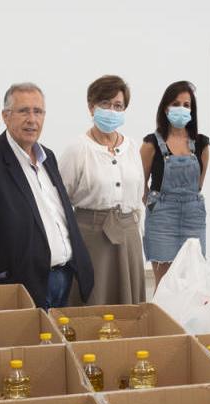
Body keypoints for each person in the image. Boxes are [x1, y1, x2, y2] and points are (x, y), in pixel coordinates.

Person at [0, 82, 94, 308]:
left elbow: (59, 214)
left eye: (38, 111)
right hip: (24, 284)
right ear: (5, 116)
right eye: (24, 111)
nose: (32, 119)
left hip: (67, 278)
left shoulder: (47, 157)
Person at [60, 75, 146, 305]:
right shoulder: (78, 149)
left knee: (129, 304)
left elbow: (138, 195)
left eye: (118, 106)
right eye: (105, 104)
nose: (111, 110)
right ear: (91, 107)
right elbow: (60, 200)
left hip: (128, 234)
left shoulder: (131, 147)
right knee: (94, 298)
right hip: (91, 235)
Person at [141, 81, 210, 288]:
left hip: (193, 216)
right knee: (165, 285)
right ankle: (163, 320)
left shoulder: (202, 144)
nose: (181, 108)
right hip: (162, 217)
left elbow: (199, 184)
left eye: (186, 105)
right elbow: (141, 183)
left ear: (192, 109)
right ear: (165, 107)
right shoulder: (151, 143)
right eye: (176, 103)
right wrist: (155, 205)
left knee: (193, 282)